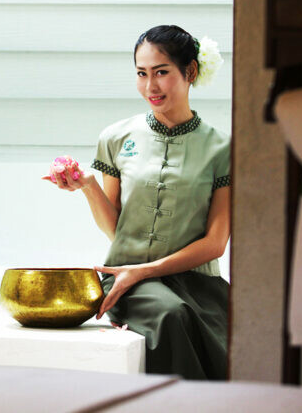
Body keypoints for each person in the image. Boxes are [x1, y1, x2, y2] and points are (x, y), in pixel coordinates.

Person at [47, 24, 230, 380]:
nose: (150, 87)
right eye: (141, 74)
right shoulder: (116, 137)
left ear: (190, 71)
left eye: (161, 72)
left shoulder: (222, 148)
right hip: (129, 281)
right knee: (171, 315)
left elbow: (215, 243)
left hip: (198, 283)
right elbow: (116, 229)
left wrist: (146, 270)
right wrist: (88, 186)